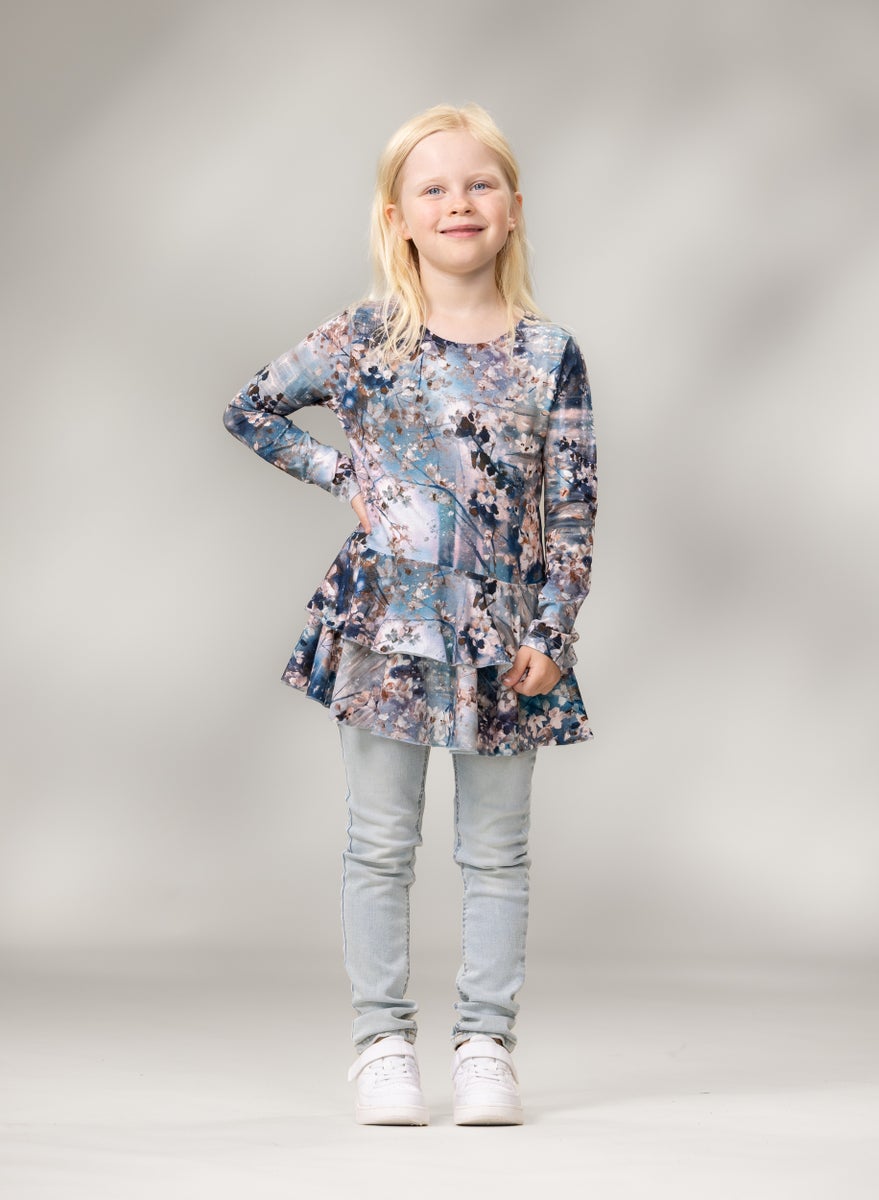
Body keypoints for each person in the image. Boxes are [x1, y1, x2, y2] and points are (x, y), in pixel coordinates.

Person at [223, 103, 597, 1126]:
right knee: (381, 842)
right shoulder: (362, 339)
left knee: (497, 850)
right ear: (397, 217)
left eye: (479, 184)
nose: (458, 203)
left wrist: (553, 631)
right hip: (385, 626)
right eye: (433, 188)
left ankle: (485, 1046)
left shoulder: (550, 353)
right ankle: (382, 1044)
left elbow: (571, 506)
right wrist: (341, 472)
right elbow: (251, 409)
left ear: (512, 209)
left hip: (506, 635)